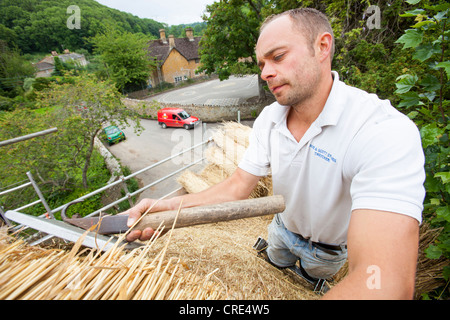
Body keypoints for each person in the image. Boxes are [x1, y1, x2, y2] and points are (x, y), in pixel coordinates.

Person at [123, 8, 425, 299]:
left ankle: (308, 277)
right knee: (275, 259)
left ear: (322, 47)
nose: (267, 72)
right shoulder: (270, 118)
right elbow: (236, 186)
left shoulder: (382, 131)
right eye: (261, 64)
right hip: (281, 229)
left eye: (278, 57)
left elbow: (385, 282)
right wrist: (165, 208)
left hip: (327, 250)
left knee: (310, 277)